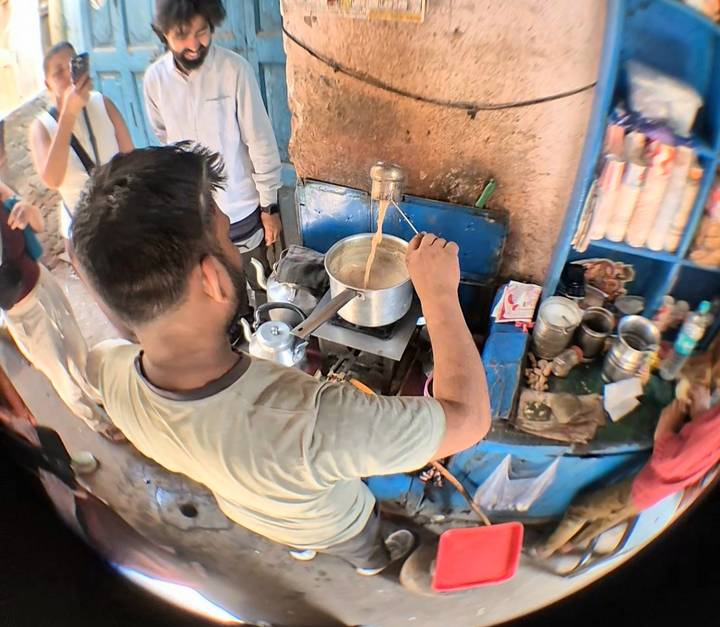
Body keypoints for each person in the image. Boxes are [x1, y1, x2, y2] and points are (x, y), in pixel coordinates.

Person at [70, 143, 492, 575]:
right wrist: (439, 292)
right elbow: (469, 419)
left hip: (248, 511)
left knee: (289, 528)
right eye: (226, 235)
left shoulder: (108, 370)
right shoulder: (312, 422)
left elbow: (120, 330)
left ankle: (301, 548)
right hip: (333, 522)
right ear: (213, 280)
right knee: (363, 543)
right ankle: (371, 565)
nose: (235, 248)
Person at [143, 0, 283, 310]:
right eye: (182, 36)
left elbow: (259, 140)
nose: (194, 44)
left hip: (241, 207)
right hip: (193, 213)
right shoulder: (154, 80)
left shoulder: (234, 70)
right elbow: (163, 138)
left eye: (202, 32)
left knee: (260, 282)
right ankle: (233, 341)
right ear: (164, 36)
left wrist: (269, 207)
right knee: (215, 289)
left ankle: (266, 338)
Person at [531, 382, 720, 558]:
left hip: (643, 488)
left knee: (580, 509)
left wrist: (666, 426)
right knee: (608, 518)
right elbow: (704, 446)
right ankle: (571, 544)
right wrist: (701, 413)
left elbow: (670, 462)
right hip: (653, 496)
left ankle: (545, 549)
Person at [0, 180, 118, 439]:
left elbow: (38, 225)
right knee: (59, 371)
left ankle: (98, 397)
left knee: (76, 346)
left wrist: (27, 209)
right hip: (21, 310)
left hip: (42, 281)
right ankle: (97, 422)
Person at [29, 41, 134, 244]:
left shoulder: (102, 102)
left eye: (72, 66)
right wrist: (68, 114)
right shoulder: (41, 127)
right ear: (48, 84)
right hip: (85, 235)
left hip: (124, 216)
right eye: (59, 73)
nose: (68, 76)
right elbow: (52, 179)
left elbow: (130, 156)